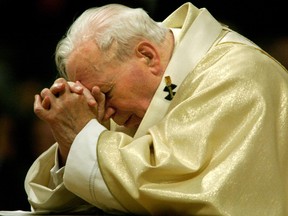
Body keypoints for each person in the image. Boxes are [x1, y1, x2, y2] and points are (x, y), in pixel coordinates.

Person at [24, 2, 288, 215]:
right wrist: (72, 138)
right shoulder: (149, 86)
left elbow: (176, 185)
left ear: (148, 56)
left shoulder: (236, 76)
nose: (105, 112)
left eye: (105, 94)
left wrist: (82, 133)